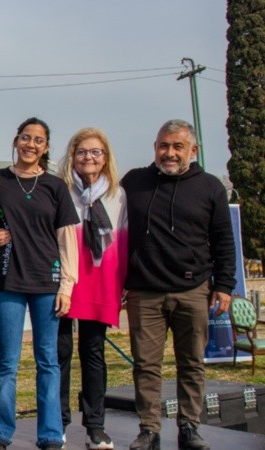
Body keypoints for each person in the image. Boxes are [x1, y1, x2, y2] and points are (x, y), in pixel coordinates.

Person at [122, 119, 235, 450]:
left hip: (193, 289)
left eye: (177, 146)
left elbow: (223, 241)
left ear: (192, 150)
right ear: (155, 147)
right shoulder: (134, 182)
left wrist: (224, 285)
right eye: (163, 145)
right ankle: (149, 429)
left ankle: (189, 426)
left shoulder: (211, 187)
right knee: (146, 365)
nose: (169, 153)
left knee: (191, 363)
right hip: (144, 290)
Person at [0, 117, 79, 450]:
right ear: (16, 140)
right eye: (26, 138)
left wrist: (67, 286)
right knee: (7, 360)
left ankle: (51, 434)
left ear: (46, 147)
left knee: (48, 361)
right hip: (6, 280)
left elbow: (67, 239)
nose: (31, 145)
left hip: (47, 283)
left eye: (38, 140)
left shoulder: (55, 186)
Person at [56, 128, 127, 450]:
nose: (89, 157)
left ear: (106, 158)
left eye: (96, 152)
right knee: (60, 352)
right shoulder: (60, 190)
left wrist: (123, 285)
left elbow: (123, 242)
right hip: (66, 277)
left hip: (101, 279)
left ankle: (95, 426)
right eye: (82, 151)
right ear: (72, 155)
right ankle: (57, 422)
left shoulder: (117, 195)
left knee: (93, 352)